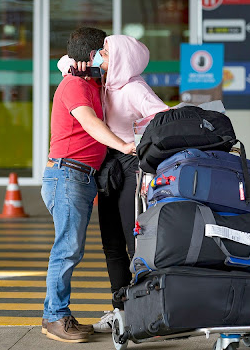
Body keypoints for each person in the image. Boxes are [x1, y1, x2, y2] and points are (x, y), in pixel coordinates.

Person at [58, 34, 169, 333]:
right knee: (111, 245)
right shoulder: (103, 84)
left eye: (105, 53)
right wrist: (82, 65)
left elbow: (163, 119)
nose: (99, 57)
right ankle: (121, 310)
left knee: (136, 243)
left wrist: (135, 144)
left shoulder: (134, 88)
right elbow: (63, 62)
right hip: (109, 168)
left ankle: (146, 311)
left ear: (122, 59)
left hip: (131, 164)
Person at [41, 27, 135, 343]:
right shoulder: (74, 86)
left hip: (79, 176)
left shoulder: (89, 81)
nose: (108, 56)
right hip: (67, 175)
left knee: (70, 248)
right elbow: (90, 123)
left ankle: (60, 315)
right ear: (92, 55)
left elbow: (67, 61)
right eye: (104, 50)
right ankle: (54, 317)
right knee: (66, 250)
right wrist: (124, 146)